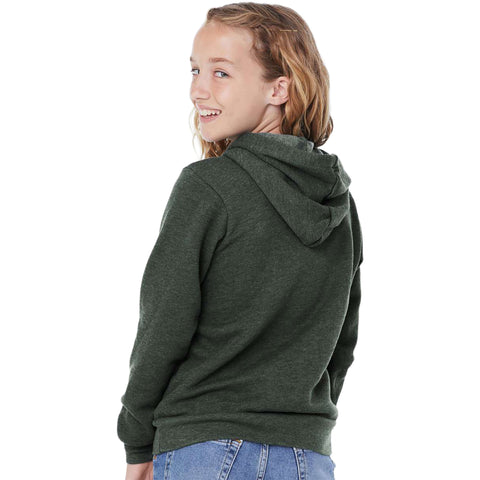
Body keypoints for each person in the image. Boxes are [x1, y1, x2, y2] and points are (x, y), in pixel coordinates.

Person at [117, 3, 363, 480]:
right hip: (308, 458)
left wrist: (137, 440)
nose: (198, 89)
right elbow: (341, 342)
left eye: (221, 72)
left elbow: (163, 328)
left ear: (279, 88)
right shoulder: (340, 203)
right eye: (194, 70)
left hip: (205, 448)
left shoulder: (207, 187)